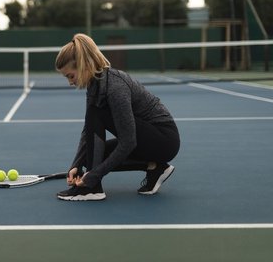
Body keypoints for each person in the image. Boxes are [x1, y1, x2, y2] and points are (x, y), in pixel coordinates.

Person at [55, 33, 180, 201]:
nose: (70, 82)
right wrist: (76, 165)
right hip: (147, 140)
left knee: (96, 112)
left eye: (71, 75)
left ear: (84, 65)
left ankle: (92, 189)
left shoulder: (114, 87)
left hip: (164, 140)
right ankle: (156, 168)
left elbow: (128, 142)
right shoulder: (95, 85)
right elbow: (89, 129)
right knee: (88, 155)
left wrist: (93, 176)